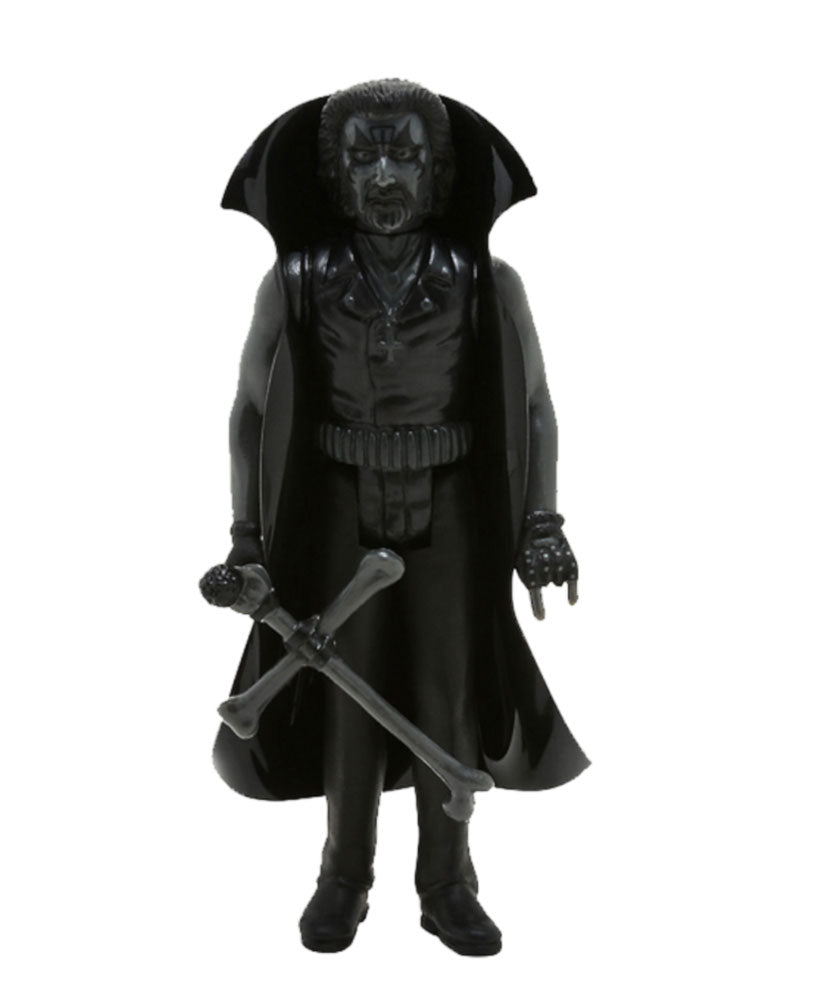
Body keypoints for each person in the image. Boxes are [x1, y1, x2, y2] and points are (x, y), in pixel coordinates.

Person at [200, 79, 588, 956]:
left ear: (438, 171)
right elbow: (251, 410)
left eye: (405, 155)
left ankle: (447, 882)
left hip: (451, 512)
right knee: (346, 690)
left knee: (448, 693)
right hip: (341, 510)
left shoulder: (485, 283)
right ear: (335, 177)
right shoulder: (299, 282)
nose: (384, 175)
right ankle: (343, 874)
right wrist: (246, 540)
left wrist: (541, 523)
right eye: (364, 157)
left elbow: (534, 405)